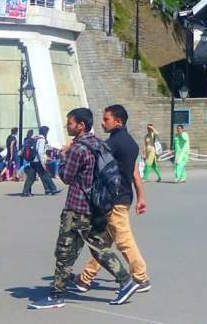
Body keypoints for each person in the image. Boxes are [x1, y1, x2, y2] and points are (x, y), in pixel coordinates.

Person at [28, 108, 131, 310]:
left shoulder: (78, 149)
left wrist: (63, 155)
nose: (68, 126)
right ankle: (126, 280)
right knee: (98, 247)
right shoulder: (98, 143)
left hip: (76, 206)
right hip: (95, 205)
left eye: (70, 123)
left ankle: (57, 294)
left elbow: (66, 176)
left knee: (64, 251)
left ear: (81, 125)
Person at [71, 104, 151, 304]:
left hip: (113, 199)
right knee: (102, 241)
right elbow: (135, 172)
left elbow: (94, 156)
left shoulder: (113, 144)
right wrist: (141, 196)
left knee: (123, 240)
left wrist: (70, 148)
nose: (102, 122)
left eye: (106, 119)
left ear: (118, 121)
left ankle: (140, 277)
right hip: (124, 196)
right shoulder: (130, 143)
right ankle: (85, 278)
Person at [23, 126, 59, 196]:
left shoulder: (35, 138)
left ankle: (26, 191)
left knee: (31, 176)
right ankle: (53, 189)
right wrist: (43, 163)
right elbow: (40, 151)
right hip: (38, 160)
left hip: (32, 160)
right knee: (45, 174)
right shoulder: (41, 139)